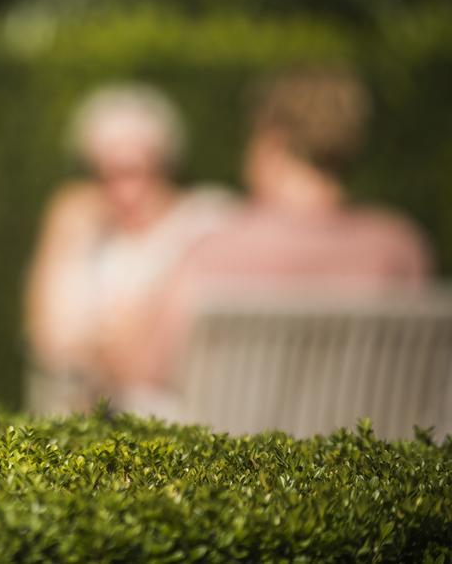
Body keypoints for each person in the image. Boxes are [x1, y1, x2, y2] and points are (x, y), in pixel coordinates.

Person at [102, 66, 433, 392]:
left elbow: (144, 370)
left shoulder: (218, 253)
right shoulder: (401, 246)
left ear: (272, 143)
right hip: (366, 444)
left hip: (245, 443)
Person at [25, 84, 235, 414]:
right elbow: (49, 340)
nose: (123, 191)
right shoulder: (86, 229)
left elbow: (168, 356)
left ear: (166, 165)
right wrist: (64, 234)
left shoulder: (205, 221)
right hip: (99, 411)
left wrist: (107, 345)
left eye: (134, 171)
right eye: (104, 174)